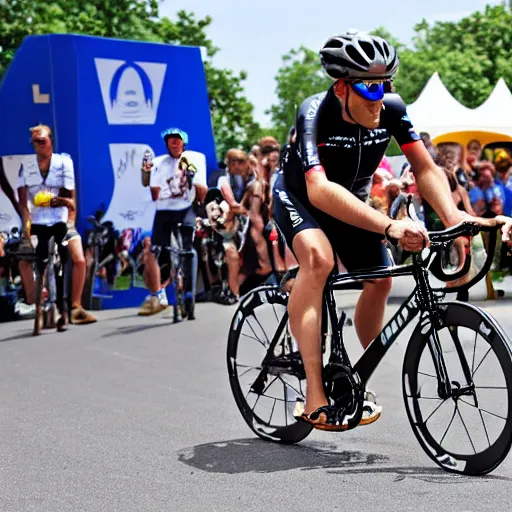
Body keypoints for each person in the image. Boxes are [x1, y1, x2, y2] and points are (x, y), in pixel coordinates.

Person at [272, 30, 512, 431]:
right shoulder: (315, 110)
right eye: (369, 86)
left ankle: (359, 374)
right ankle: (314, 391)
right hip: (303, 198)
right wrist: (390, 226)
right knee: (318, 260)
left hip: (351, 202)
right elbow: (319, 188)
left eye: (387, 84)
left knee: (381, 281)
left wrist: (455, 219)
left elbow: (425, 168)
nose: (379, 96)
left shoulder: (392, 109)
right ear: (341, 86)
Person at [139, 128, 207, 318]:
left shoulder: (194, 158)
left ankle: (189, 293)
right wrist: (148, 173)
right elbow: (154, 193)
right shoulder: (159, 163)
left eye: (178, 141)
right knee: (154, 250)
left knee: (188, 249)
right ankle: (158, 295)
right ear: (166, 143)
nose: (174, 144)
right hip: (164, 210)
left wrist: (191, 177)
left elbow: (202, 191)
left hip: (186, 208)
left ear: (184, 143)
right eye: (171, 141)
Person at [17, 124, 75, 331]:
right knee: (39, 260)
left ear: (51, 141)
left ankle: (62, 306)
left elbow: (71, 198)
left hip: (59, 219)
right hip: (37, 221)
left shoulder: (64, 162)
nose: (38, 145)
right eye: (34, 141)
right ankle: (40, 306)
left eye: (42, 140)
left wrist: (62, 209)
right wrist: (26, 222)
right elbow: (23, 200)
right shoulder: (26, 165)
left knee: (62, 258)